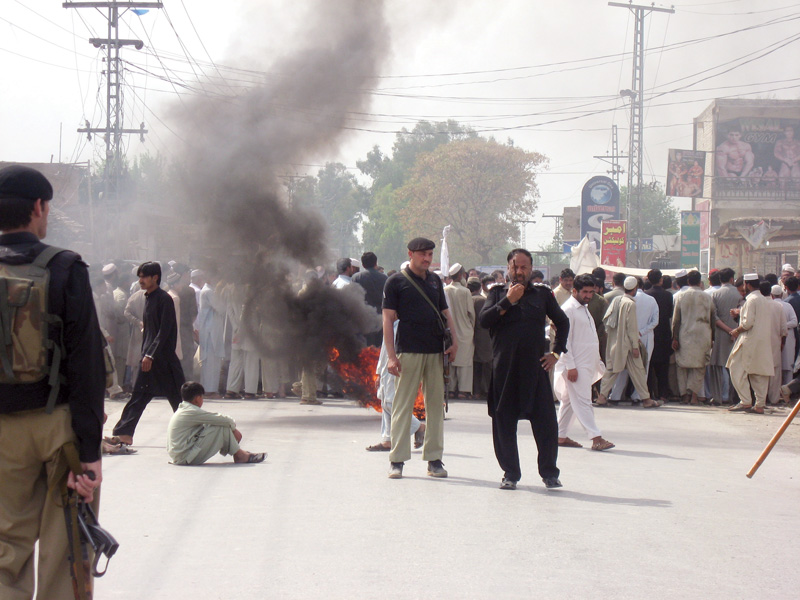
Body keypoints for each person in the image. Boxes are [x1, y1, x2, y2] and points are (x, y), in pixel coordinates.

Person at [0, 165, 106, 598]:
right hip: (59, 426)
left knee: (6, 549)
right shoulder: (65, 267)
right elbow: (87, 365)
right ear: (39, 208)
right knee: (66, 548)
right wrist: (90, 452)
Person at [479, 248, 569, 490]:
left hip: (535, 369)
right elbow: (484, 320)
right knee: (504, 422)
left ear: (530, 269)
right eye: (515, 267)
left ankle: (549, 472)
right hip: (504, 370)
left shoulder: (542, 295)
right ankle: (511, 473)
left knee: (546, 423)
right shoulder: (497, 293)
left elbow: (562, 321)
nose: (519, 272)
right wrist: (508, 301)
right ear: (508, 268)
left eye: (524, 267)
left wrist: (556, 353)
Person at [382, 237, 457, 479]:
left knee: (435, 407)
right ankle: (397, 460)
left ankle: (434, 459)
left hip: (435, 351)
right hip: (408, 351)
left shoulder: (435, 280)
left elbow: (445, 313)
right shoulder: (395, 282)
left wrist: (455, 341)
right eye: (422, 254)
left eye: (430, 254)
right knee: (402, 406)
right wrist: (391, 357)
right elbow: (387, 319)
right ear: (410, 254)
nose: (427, 258)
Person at [111, 262, 185, 445]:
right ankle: (124, 433)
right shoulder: (148, 298)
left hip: (164, 360)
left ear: (155, 278)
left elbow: (164, 331)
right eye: (139, 277)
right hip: (150, 360)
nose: (141, 280)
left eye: (144, 277)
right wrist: (145, 354)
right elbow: (149, 331)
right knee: (138, 396)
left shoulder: (164, 299)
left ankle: (197, 432)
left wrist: (150, 354)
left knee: (181, 401)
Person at [553, 275, 614, 451]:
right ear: (574, 291)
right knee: (583, 401)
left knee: (569, 402)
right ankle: (596, 437)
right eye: (585, 292)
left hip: (585, 363)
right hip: (574, 365)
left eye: (591, 292)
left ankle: (560, 436)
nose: (588, 295)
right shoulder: (568, 310)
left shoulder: (583, 309)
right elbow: (564, 341)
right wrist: (570, 366)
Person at [596, 276, 661, 408]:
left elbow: (607, 321)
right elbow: (632, 328)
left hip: (615, 343)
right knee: (638, 372)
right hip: (629, 346)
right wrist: (635, 346)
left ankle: (602, 397)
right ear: (635, 288)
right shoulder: (630, 304)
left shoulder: (617, 300)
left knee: (612, 370)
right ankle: (646, 400)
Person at [167, 381, 265, 465]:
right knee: (221, 426)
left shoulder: (184, 409)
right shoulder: (191, 411)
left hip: (180, 455)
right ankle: (240, 455)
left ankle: (239, 453)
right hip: (185, 457)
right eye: (202, 397)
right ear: (197, 398)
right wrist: (234, 429)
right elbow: (224, 420)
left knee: (218, 424)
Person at [727, 274, 774, 414]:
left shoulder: (751, 300)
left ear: (746, 284)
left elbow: (747, 323)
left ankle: (746, 401)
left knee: (735, 367)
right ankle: (759, 404)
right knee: (758, 373)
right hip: (762, 341)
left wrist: (736, 330)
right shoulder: (763, 299)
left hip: (749, 340)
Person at [672, 270, 716, 405]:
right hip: (703, 335)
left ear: (688, 281)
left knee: (682, 365)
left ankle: (684, 395)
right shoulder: (707, 297)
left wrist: (674, 337)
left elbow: (676, 320)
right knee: (699, 367)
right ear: (699, 281)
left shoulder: (681, 296)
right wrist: (712, 337)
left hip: (684, 335)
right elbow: (712, 319)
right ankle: (694, 396)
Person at [708, 268, 741, 405]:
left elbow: (713, 317)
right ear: (732, 279)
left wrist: (728, 330)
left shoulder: (715, 294)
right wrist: (735, 331)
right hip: (738, 333)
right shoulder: (739, 294)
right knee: (735, 366)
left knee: (717, 366)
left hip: (721, 333)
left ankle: (717, 397)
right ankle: (734, 397)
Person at [444, 263, 475, 399]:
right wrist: (471, 328)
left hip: (450, 331)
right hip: (465, 331)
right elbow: (471, 313)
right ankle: (463, 390)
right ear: (461, 275)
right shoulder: (465, 291)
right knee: (465, 363)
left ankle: (450, 389)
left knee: (451, 361)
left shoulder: (445, 290)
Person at [645, 269, 674, 403]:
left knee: (649, 366)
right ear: (661, 280)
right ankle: (663, 393)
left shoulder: (646, 295)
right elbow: (669, 314)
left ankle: (650, 393)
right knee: (663, 367)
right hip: (664, 333)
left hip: (650, 333)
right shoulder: (667, 295)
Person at [351, 251, 388, 347]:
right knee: (379, 347)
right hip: (381, 317)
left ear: (363, 265)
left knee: (366, 349)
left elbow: (352, 298)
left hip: (363, 318)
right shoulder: (384, 278)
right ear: (376, 263)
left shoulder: (356, 278)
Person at [468, 276, 492, 399]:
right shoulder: (482, 300)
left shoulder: (468, 300)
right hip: (483, 336)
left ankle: (476, 390)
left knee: (476, 365)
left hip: (471, 335)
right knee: (486, 365)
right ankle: (486, 390)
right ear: (480, 287)